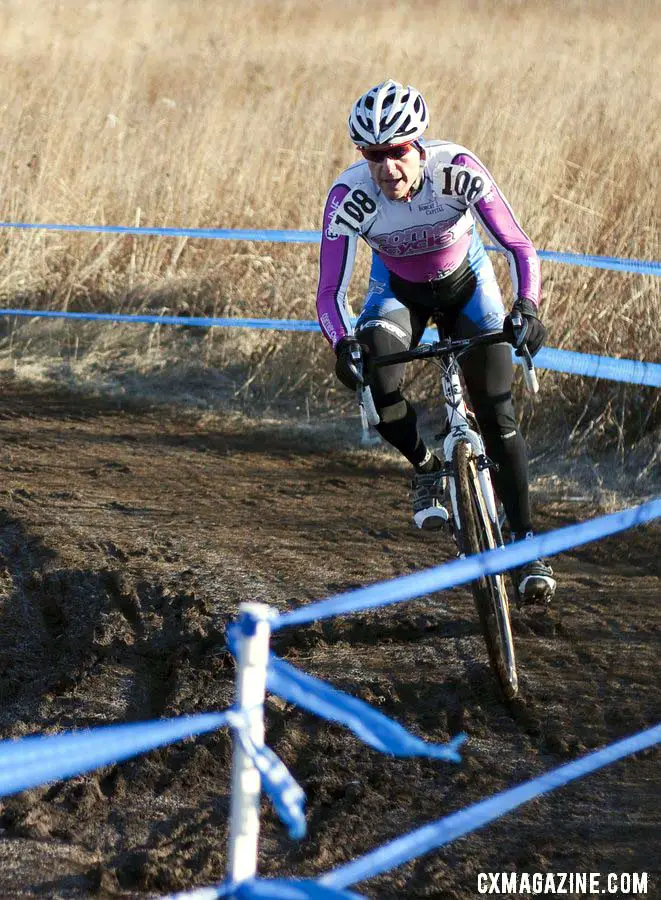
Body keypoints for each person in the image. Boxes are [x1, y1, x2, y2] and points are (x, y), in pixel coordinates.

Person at [315, 78, 556, 604]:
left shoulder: (457, 172)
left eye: (397, 152)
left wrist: (528, 309)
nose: (386, 169)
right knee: (376, 380)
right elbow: (329, 293)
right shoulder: (348, 197)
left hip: (469, 287)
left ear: (419, 144)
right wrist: (342, 344)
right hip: (398, 295)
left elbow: (518, 246)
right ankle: (426, 469)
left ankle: (525, 546)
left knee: (496, 409)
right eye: (373, 155)